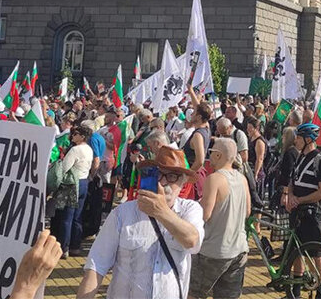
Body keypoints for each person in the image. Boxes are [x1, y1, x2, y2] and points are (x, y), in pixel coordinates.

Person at [79, 146, 204, 299]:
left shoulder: (190, 210)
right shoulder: (122, 213)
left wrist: (161, 211)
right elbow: (96, 265)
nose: (163, 182)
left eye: (172, 176)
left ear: (183, 183)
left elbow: (192, 241)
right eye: (159, 174)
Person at [189, 138, 250, 299]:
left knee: (193, 294)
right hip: (239, 249)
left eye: (211, 152)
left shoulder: (214, 179)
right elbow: (247, 212)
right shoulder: (242, 179)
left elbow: (205, 215)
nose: (209, 157)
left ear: (218, 155)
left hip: (213, 250)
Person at [283, 123, 321, 299]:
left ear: (308, 139)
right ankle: (295, 291)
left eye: (298, 137)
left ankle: (320, 292)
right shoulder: (299, 157)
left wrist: (300, 200)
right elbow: (292, 180)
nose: (295, 140)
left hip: (312, 213)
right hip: (297, 212)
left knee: (317, 254)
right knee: (297, 252)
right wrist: (290, 195)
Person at [56, 124, 94, 257]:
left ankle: (64, 247)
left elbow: (64, 168)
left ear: (82, 137)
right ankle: (75, 246)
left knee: (67, 216)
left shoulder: (75, 150)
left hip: (72, 183)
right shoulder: (89, 149)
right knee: (77, 216)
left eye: (76, 134)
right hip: (84, 182)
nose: (73, 136)